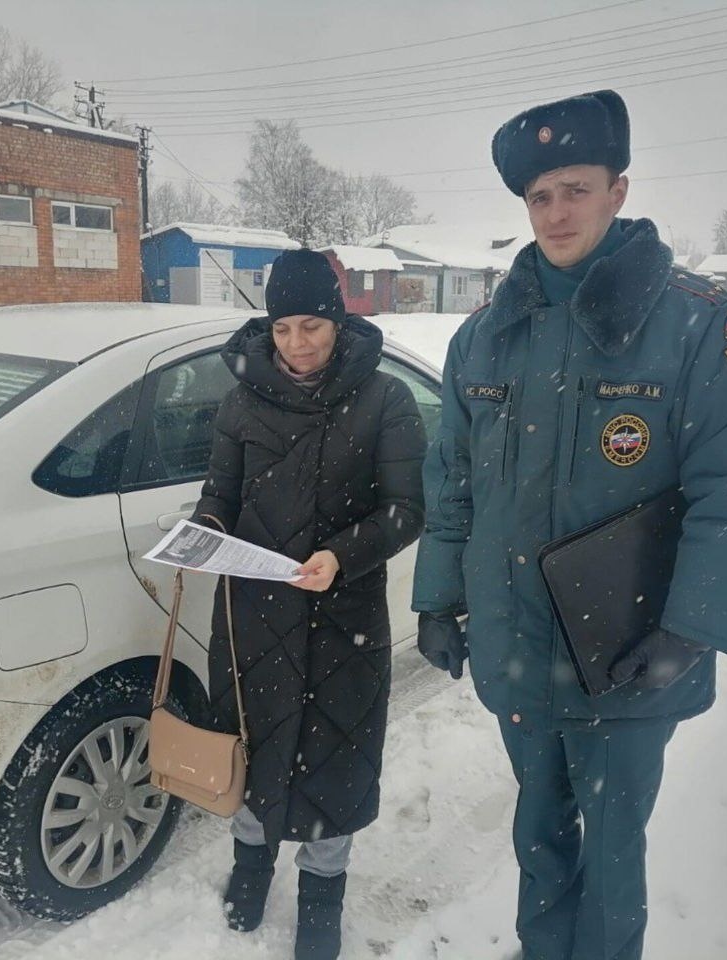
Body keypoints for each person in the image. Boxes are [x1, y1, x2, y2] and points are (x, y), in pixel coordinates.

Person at [411, 89, 727, 960]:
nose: (556, 212)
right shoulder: (485, 337)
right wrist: (438, 598)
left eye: (575, 188)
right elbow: (454, 480)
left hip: (625, 654)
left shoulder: (697, 323)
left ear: (618, 191)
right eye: (539, 196)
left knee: (614, 860)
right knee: (539, 843)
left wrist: (690, 629)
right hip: (517, 651)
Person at [192, 248, 426, 960]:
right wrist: (203, 530)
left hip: (342, 616)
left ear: (337, 319)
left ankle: (323, 891)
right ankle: (251, 866)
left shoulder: (386, 399)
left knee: (336, 755)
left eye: (312, 327)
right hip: (252, 612)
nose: (297, 343)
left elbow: (407, 510)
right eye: (284, 328)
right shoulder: (239, 401)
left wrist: (342, 557)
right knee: (254, 745)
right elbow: (220, 495)